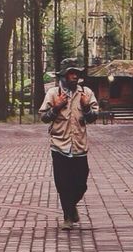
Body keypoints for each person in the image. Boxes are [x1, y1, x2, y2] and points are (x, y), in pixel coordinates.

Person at [39, 64, 99, 230]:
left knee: (81, 183)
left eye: (77, 74)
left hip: (79, 145)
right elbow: (43, 117)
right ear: (64, 76)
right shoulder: (53, 93)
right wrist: (56, 106)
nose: (74, 77)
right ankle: (67, 217)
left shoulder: (86, 93)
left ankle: (71, 208)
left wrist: (86, 107)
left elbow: (93, 117)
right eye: (71, 74)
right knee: (63, 184)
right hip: (59, 145)